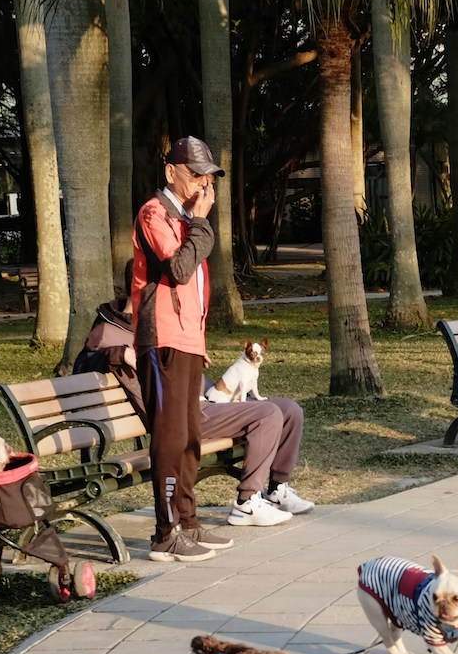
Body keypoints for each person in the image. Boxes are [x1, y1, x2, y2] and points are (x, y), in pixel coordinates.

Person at [75, 262, 314, 529]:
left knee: (290, 409)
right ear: (142, 285)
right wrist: (119, 353)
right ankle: (247, 503)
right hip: (181, 415)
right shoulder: (108, 330)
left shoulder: (159, 319)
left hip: (206, 399)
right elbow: (83, 366)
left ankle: (278, 489)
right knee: (267, 414)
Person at [132, 137, 226, 561]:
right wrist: (201, 222)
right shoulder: (155, 213)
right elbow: (180, 268)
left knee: (190, 435)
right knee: (170, 437)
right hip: (162, 339)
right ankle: (165, 532)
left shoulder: (188, 220)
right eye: (195, 174)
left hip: (187, 341)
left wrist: (199, 342)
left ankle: (187, 521)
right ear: (171, 172)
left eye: (208, 176)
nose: (203, 184)